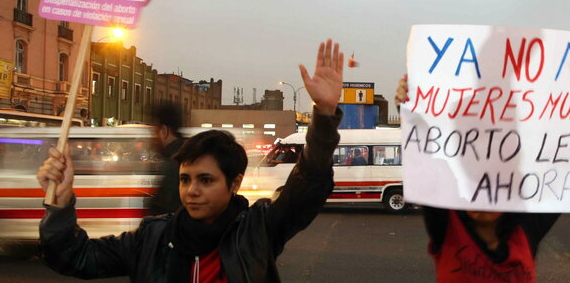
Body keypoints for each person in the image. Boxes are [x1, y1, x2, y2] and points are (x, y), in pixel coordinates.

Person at [36, 39, 346, 283]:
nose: (191, 191)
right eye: (185, 179)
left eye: (206, 180)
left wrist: (324, 115)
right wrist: (60, 205)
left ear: (234, 183)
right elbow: (76, 258)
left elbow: (308, 186)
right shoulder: (152, 237)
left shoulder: (257, 231)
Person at [395, 75, 570, 282]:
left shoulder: (525, 232)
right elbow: (424, 156)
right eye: (475, 190)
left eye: (491, 189)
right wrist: (410, 111)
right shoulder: (447, 226)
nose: (481, 199)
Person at [148, 101, 185, 215]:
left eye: (154, 132)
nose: (152, 138)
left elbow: (163, 215)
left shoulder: (175, 164)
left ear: (164, 131)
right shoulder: (183, 155)